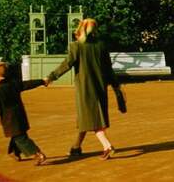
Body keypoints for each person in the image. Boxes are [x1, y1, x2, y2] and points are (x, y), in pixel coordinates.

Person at [45, 18, 122, 160]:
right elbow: (109, 69)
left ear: (80, 30)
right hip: (100, 87)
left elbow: (66, 64)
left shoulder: (76, 46)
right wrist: (116, 86)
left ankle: (107, 146)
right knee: (86, 118)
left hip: (85, 89)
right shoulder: (101, 46)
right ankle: (76, 147)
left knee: (92, 119)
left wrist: (51, 77)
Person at [0, 62, 47, 165]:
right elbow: (28, 84)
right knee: (17, 135)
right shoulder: (13, 84)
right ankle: (14, 152)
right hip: (20, 115)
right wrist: (41, 81)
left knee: (20, 138)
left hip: (10, 120)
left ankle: (37, 154)